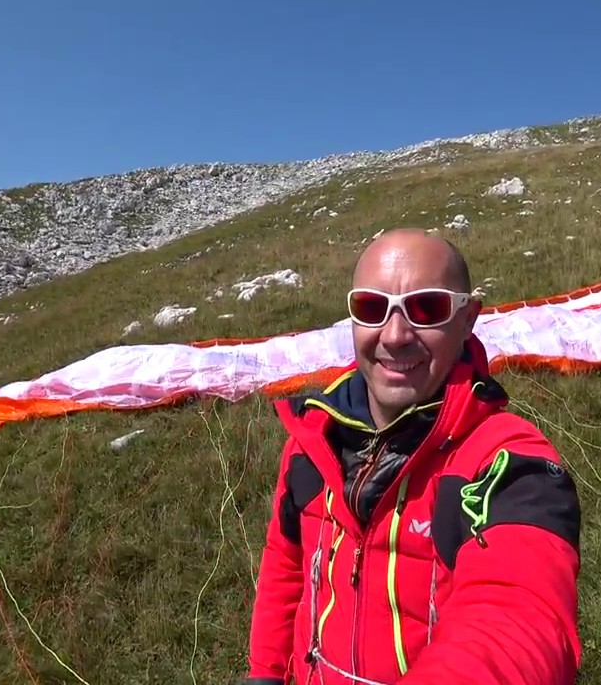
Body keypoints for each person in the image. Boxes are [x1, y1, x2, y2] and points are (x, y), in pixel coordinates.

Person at [238, 229, 582, 685]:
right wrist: (264, 673)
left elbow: (518, 620)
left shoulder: (507, 459)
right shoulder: (311, 441)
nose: (395, 335)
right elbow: (285, 564)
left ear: (468, 319)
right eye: (371, 308)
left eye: (427, 309)